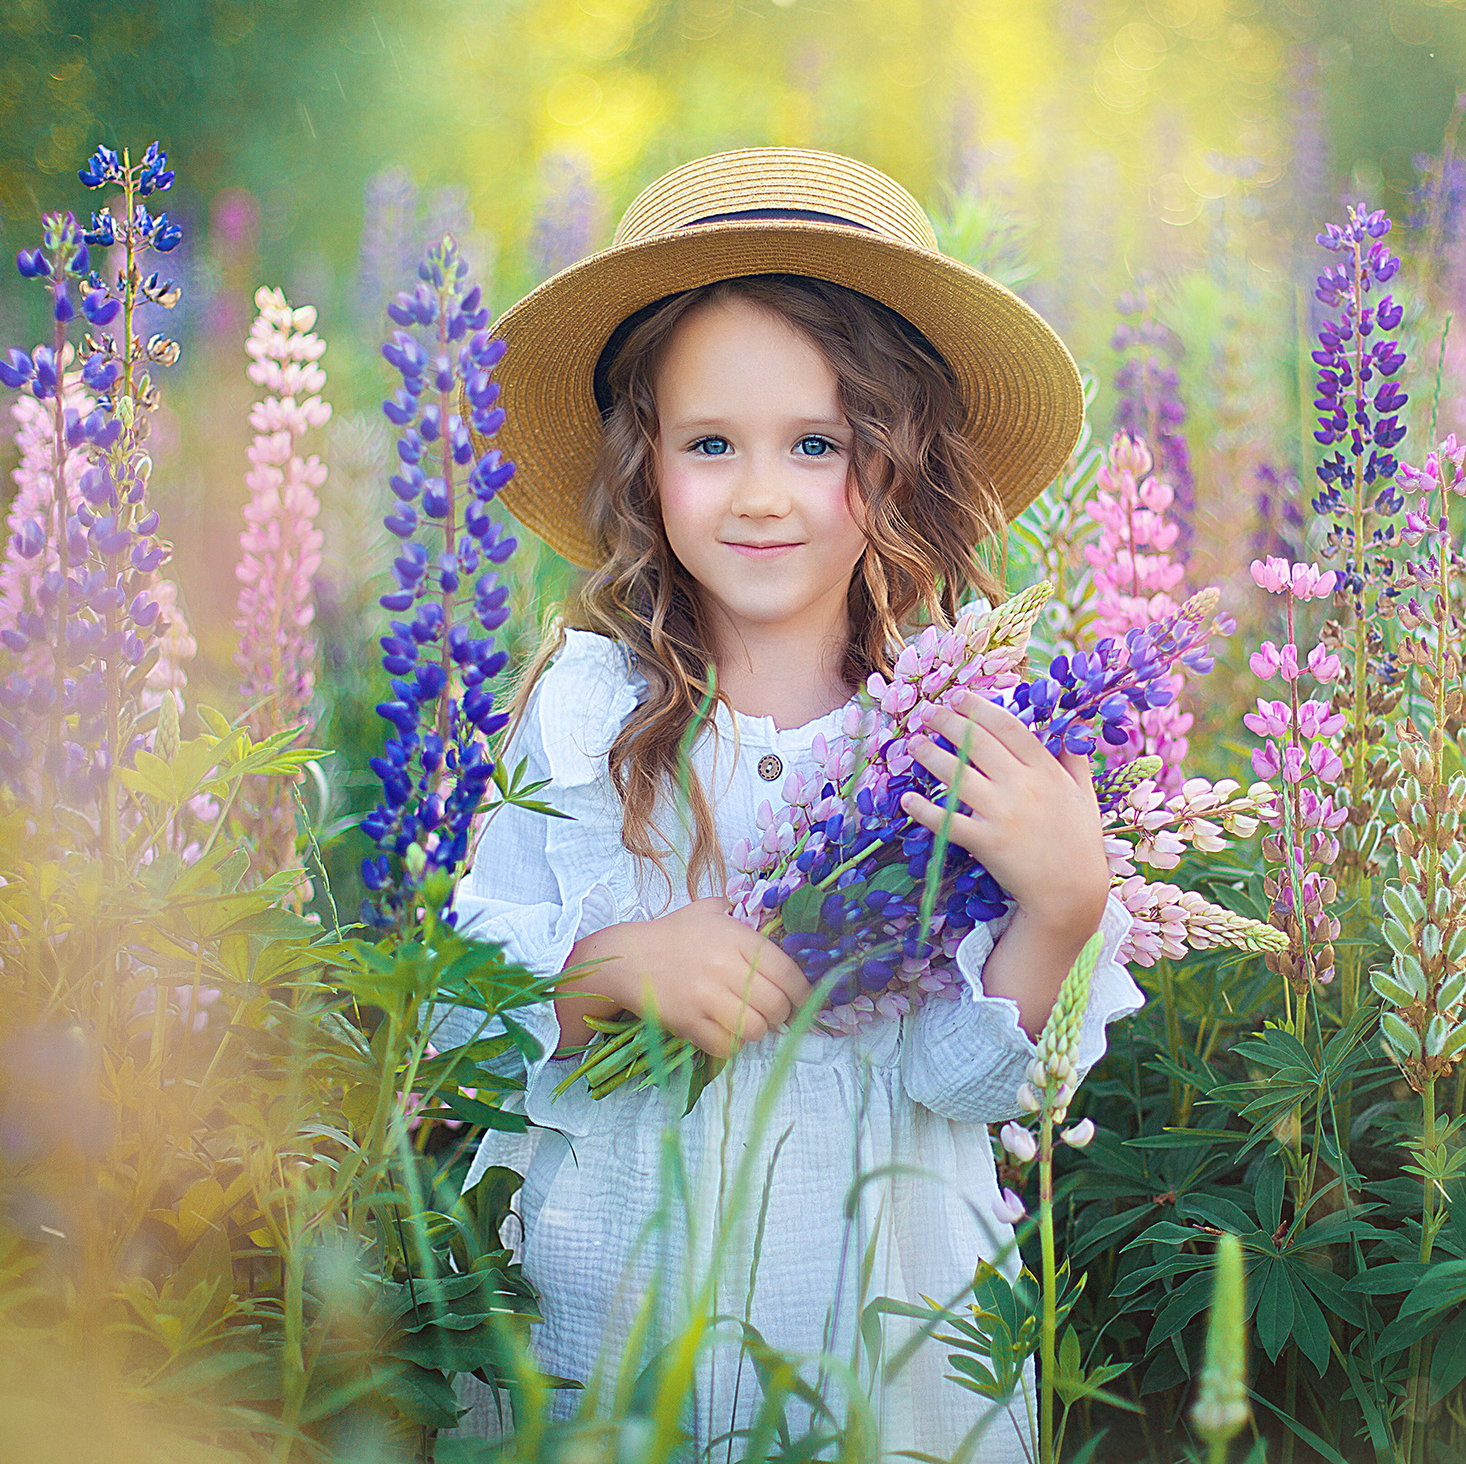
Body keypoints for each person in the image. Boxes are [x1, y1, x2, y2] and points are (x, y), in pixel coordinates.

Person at [441, 149, 1143, 1461]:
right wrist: (597, 975)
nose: (762, 491)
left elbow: (972, 1084)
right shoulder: (584, 710)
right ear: (641, 466)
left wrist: (1062, 906)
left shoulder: (969, 726)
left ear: (901, 464)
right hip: (611, 1325)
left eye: (817, 443)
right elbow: (446, 1016)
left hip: (886, 1348)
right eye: (711, 443)